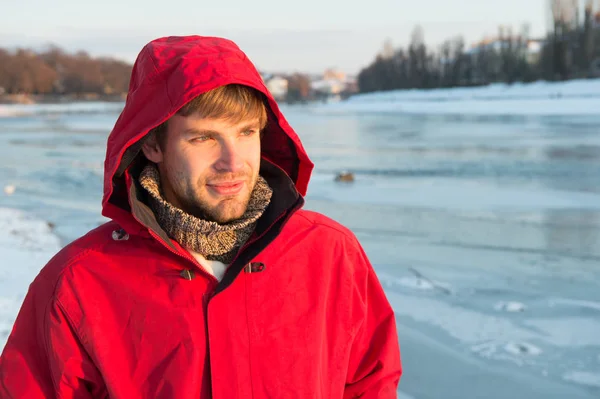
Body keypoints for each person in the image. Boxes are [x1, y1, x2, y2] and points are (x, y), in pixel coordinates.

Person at [0, 35, 401, 398]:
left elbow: (371, 383)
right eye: (204, 138)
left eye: (246, 133)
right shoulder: (80, 281)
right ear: (154, 145)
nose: (233, 163)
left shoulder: (330, 254)